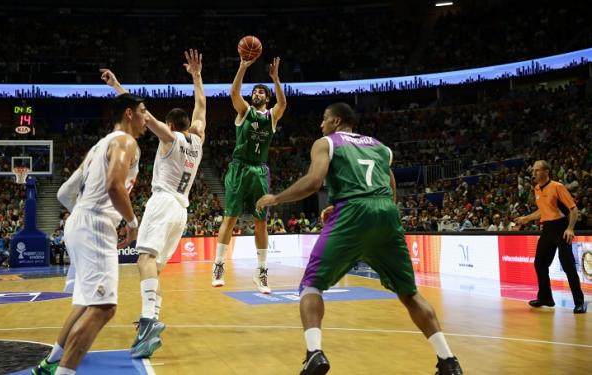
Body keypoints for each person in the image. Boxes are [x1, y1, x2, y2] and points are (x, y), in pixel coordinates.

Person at [256, 103, 463, 375]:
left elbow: (314, 181)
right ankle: (448, 361)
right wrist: (361, 205)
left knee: (311, 285)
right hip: (386, 213)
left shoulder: (326, 143)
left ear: (336, 121)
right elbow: (391, 188)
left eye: (324, 119)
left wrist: (277, 198)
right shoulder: (380, 147)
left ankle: (314, 353)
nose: (321, 125)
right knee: (409, 293)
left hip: (352, 213)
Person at [31, 93, 146, 375]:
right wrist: (131, 224)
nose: (147, 118)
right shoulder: (125, 141)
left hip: (80, 221)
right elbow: (114, 186)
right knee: (105, 306)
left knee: (85, 303)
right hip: (94, 225)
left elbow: (63, 192)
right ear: (129, 114)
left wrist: (82, 213)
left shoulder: (97, 146)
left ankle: (49, 364)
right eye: (143, 111)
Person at [102, 49, 206, 358]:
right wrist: (197, 77)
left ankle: (147, 321)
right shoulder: (198, 140)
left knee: (143, 260)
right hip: (181, 210)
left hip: (162, 203)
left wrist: (118, 87)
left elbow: (143, 115)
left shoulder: (171, 139)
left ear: (172, 126)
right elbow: (201, 106)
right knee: (154, 269)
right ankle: (151, 324)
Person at [212, 56, 287, 293]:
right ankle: (219, 265)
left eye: (261, 93)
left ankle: (262, 272)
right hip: (239, 168)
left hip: (259, 170)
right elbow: (234, 93)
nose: (256, 94)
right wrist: (243, 67)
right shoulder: (245, 111)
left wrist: (275, 79)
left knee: (261, 221)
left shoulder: (271, 116)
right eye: (254, 92)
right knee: (230, 218)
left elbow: (283, 104)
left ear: (267, 98)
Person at [514, 160, 586, 314]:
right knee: (539, 263)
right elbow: (542, 210)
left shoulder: (557, 187)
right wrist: (526, 218)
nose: (534, 173)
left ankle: (579, 302)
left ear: (546, 171)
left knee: (568, 266)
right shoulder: (537, 189)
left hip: (561, 228)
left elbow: (573, 209)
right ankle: (546, 298)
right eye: (533, 170)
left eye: (537, 170)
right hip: (547, 228)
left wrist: (570, 228)